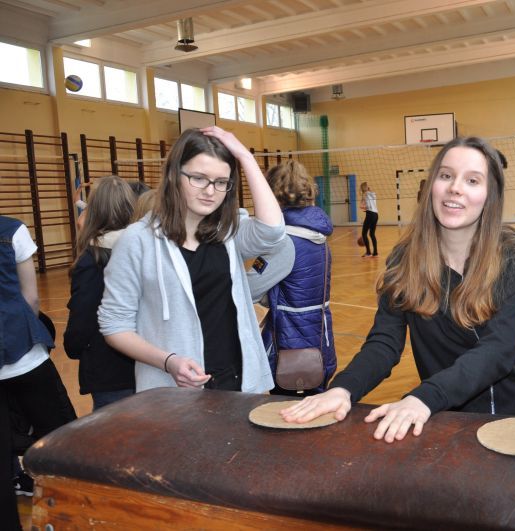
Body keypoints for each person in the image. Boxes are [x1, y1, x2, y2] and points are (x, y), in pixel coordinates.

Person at [281, 137, 515, 443]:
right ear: (432, 185)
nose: (455, 188)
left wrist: (424, 398)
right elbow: (385, 342)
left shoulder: (512, 254)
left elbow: (498, 350)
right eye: (446, 175)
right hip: (445, 414)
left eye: (472, 180)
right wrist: (344, 388)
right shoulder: (405, 258)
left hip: (513, 414)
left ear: (490, 195)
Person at [98, 127, 293, 393]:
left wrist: (245, 157)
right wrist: (168, 361)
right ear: (174, 175)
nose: (210, 191)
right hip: (175, 391)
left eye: (221, 182)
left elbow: (272, 231)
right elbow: (114, 326)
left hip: (238, 381)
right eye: (199, 178)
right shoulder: (137, 240)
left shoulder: (227, 232)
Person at [1, 216, 77, 530]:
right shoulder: (11, 230)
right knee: (62, 439)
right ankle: (72, 514)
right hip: (23, 355)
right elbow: (31, 298)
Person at [248, 160, 336, 395]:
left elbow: (249, 289)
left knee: (286, 409)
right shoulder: (317, 235)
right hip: (319, 340)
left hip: (290, 345)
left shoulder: (283, 242)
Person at [64, 175, 137, 410]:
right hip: (145, 358)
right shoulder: (143, 249)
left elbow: (83, 316)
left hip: (109, 367)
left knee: (114, 427)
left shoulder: (92, 260)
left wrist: (73, 346)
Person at [359, 181, 378, 257]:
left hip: (370, 214)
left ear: (363, 188)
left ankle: (368, 252)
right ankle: (375, 253)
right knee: (372, 234)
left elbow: (361, 204)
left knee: (364, 233)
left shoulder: (365, 194)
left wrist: (362, 194)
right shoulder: (373, 194)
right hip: (375, 215)